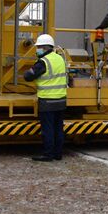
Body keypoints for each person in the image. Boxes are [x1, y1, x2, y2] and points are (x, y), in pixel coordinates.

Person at [23, 32, 67, 162]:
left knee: (48, 129)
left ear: (45, 47)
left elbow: (28, 76)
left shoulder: (43, 62)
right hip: (61, 100)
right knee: (58, 128)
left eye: (39, 47)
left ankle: (48, 154)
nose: (37, 50)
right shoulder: (60, 58)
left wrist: (28, 70)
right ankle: (57, 154)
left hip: (48, 101)